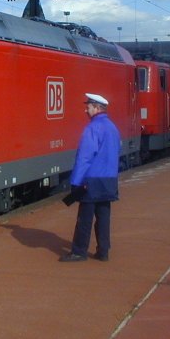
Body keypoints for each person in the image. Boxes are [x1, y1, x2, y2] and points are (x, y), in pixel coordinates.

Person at [60, 93, 121, 263]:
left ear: (96, 107)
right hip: (109, 179)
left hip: (91, 180)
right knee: (104, 216)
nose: (85, 109)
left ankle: (79, 251)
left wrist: (75, 182)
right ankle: (103, 251)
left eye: (88, 106)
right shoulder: (112, 127)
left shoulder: (92, 128)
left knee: (84, 218)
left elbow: (85, 157)